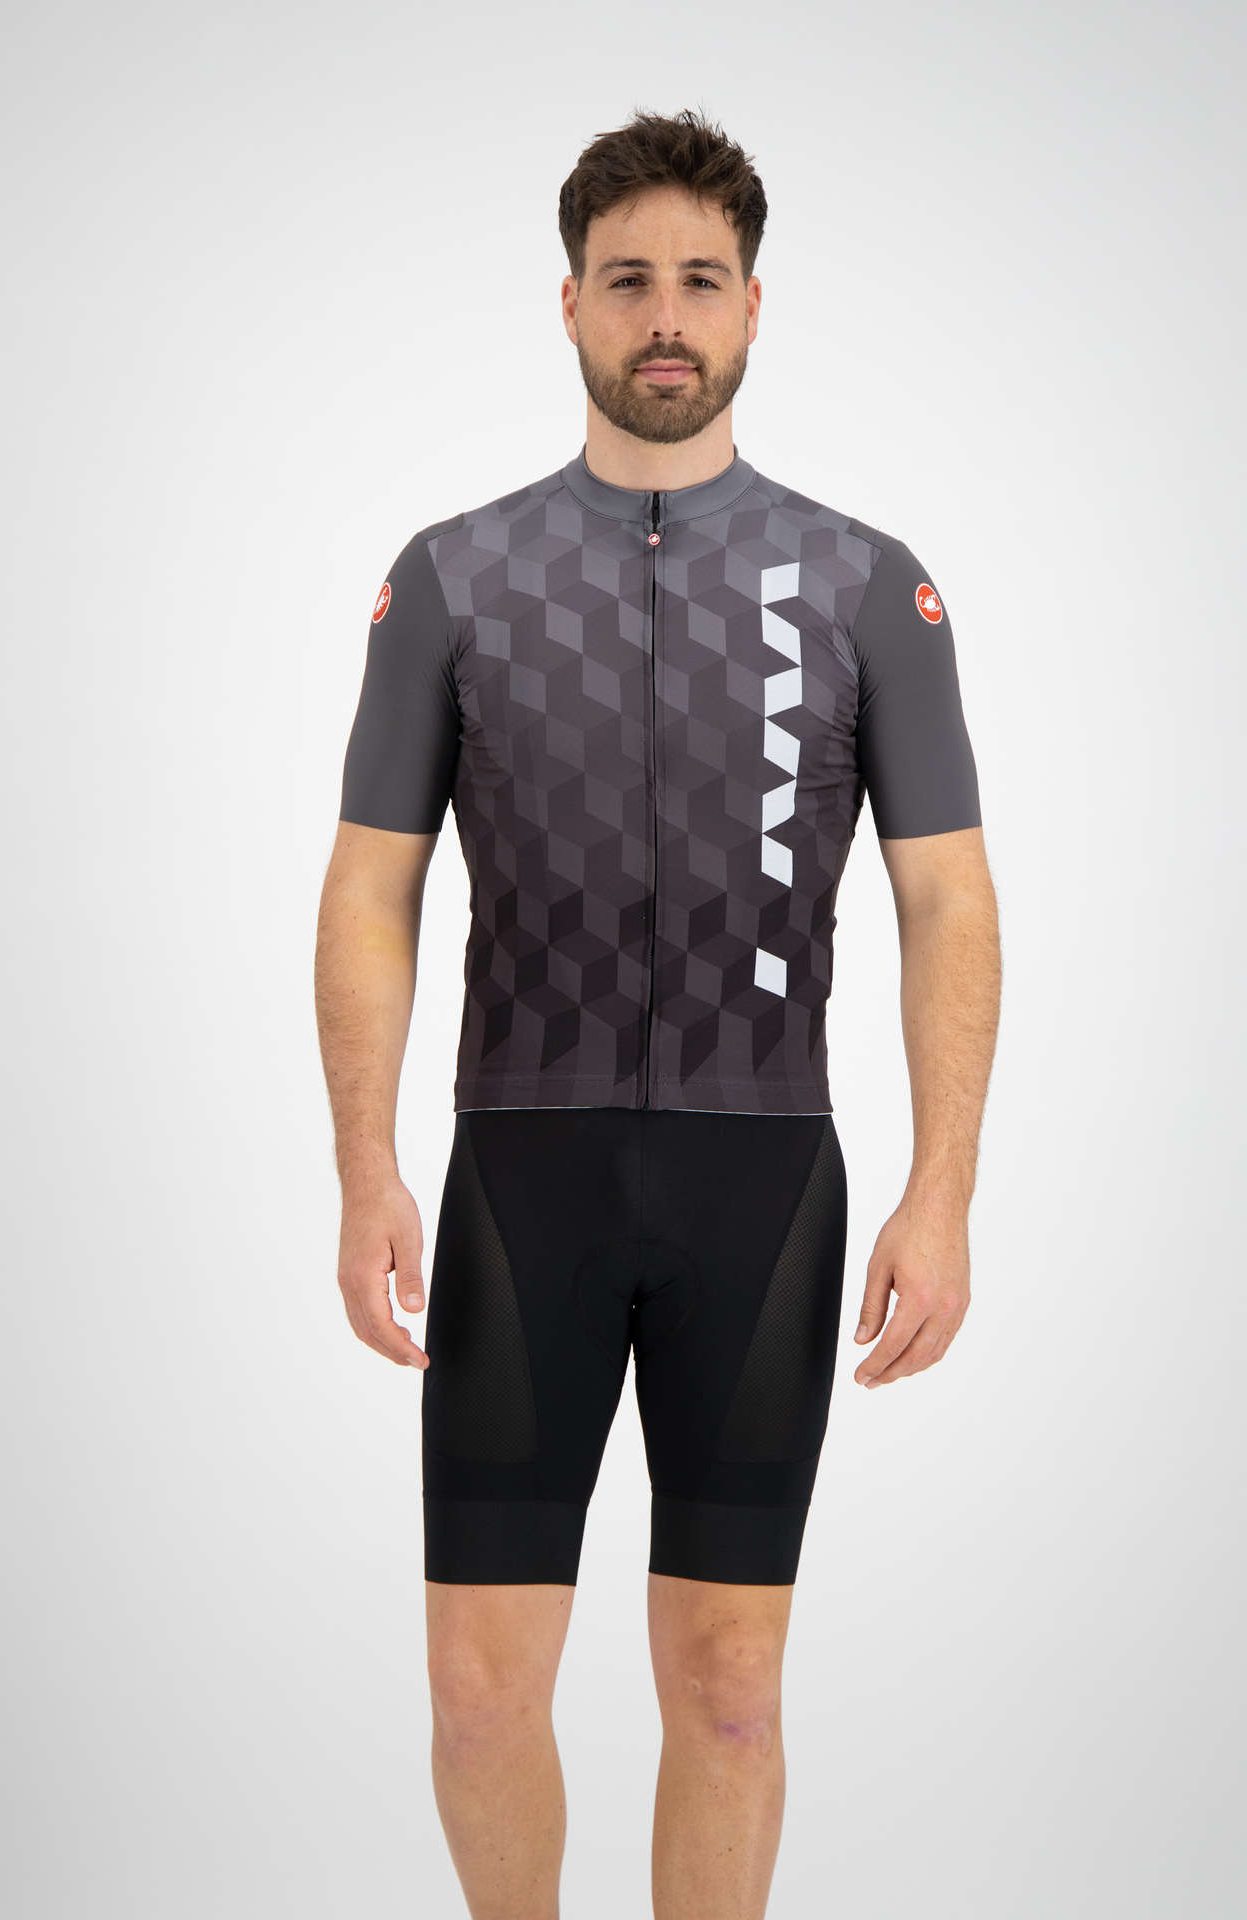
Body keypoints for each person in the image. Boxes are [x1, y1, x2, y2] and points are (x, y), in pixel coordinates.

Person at [314, 105, 1001, 1920]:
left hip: (758, 1186)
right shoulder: (455, 577)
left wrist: (944, 1189)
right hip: (518, 1181)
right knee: (480, 1699)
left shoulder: (867, 584)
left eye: (703, 279)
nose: (667, 315)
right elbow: (371, 887)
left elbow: (948, 896)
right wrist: (365, 1168)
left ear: (755, 306)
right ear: (570, 305)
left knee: (729, 1691)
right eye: (629, 281)